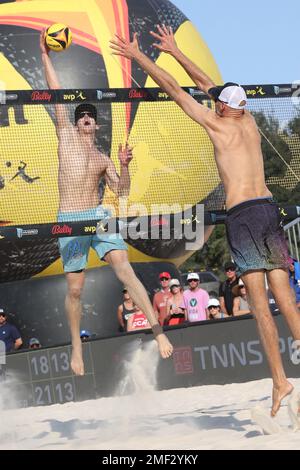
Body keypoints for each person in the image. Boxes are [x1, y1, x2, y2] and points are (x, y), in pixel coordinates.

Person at [109, 25, 300, 416]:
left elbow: (177, 91)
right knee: (289, 303)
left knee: (262, 308)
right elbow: (208, 84)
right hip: (269, 209)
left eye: (218, 103)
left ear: (223, 108)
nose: (214, 104)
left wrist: (139, 56)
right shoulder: (245, 120)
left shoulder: (217, 124)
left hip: (245, 216)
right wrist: (176, 50)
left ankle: (280, 382)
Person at [40, 30, 173, 375]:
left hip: (97, 214)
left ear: (96, 124)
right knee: (75, 289)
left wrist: (125, 165)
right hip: (70, 217)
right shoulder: (65, 136)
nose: (84, 117)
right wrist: (44, 55)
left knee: (125, 271)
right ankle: (76, 347)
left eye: (89, 115)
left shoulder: (103, 158)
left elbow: (122, 190)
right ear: (75, 121)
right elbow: (55, 93)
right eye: (80, 114)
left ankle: (158, 332)